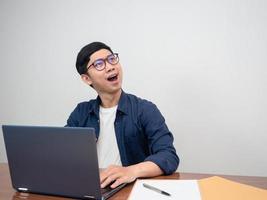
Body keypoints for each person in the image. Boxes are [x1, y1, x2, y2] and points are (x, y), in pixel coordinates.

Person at [66, 42, 179, 189]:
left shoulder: (144, 110)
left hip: (127, 189)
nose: (110, 66)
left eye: (112, 59)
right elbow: (63, 154)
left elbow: (168, 156)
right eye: (99, 64)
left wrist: (130, 171)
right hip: (89, 188)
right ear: (87, 79)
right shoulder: (81, 113)